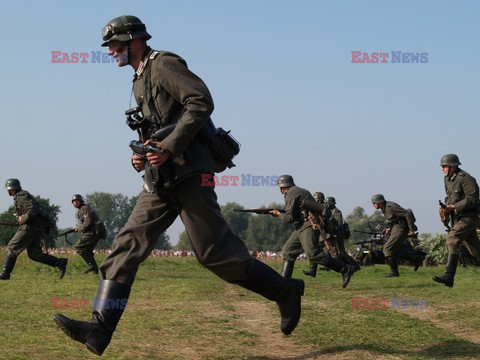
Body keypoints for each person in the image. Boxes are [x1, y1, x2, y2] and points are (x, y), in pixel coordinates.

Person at [53, 15, 304, 356]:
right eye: (110, 47)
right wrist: (140, 156)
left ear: (134, 41)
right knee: (126, 246)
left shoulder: (164, 63)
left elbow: (200, 102)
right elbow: (153, 128)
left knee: (215, 254)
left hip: (190, 174)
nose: (110, 52)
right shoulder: (138, 80)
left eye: (115, 45)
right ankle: (99, 329)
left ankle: (285, 291)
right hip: (159, 181)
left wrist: (171, 145)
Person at [270, 175, 355, 286]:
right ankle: (284, 283)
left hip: (307, 226)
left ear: (282, 187)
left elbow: (288, 219)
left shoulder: (290, 193)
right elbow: (297, 214)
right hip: (303, 225)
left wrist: (278, 214)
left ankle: (345, 269)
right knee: (288, 251)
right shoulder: (299, 190)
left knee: (313, 254)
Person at [0, 179, 67, 280]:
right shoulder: (20, 196)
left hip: (29, 227)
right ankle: (59, 262)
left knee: (12, 247)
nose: (7, 191)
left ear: (12, 188)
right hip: (35, 228)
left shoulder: (22, 196)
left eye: (8, 189)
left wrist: (22, 219)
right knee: (34, 254)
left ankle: (5, 274)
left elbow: (32, 210)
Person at [433, 154, 480, 287]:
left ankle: (449, 277)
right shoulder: (447, 179)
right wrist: (445, 209)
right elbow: (450, 197)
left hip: (471, 216)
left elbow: (473, 199)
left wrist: (453, 207)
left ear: (453, 165)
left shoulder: (466, 179)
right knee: (476, 250)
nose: (443, 169)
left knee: (452, 239)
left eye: (444, 166)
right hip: (459, 217)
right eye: (442, 167)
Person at [371, 194, 423, 277]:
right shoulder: (384, 208)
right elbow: (393, 219)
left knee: (387, 248)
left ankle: (394, 272)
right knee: (395, 250)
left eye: (374, 203)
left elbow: (407, 214)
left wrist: (411, 229)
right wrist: (389, 228)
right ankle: (417, 259)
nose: (373, 205)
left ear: (379, 202)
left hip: (401, 228)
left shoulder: (391, 207)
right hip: (396, 227)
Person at [71, 194, 105, 274]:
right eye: (74, 202)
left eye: (77, 201)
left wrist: (78, 228)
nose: (75, 203)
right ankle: (95, 270)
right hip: (93, 232)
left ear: (81, 201)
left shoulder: (84, 209)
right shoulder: (81, 210)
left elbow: (88, 222)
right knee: (88, 251)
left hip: (93, 233)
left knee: (78, 247)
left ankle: (92, 265)